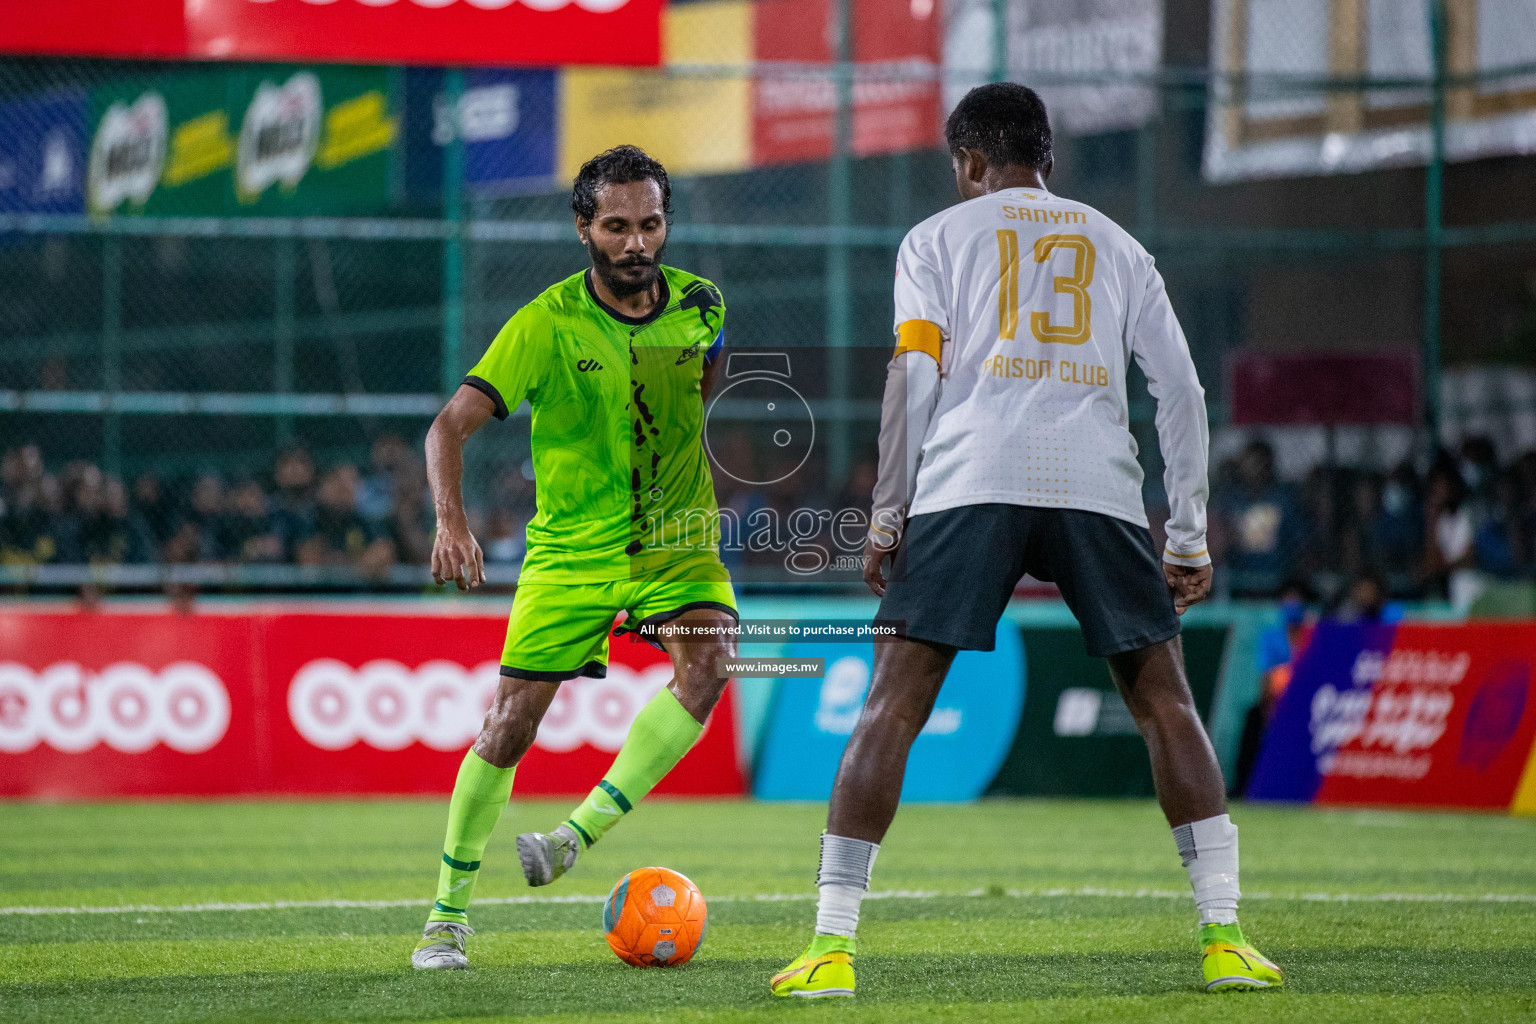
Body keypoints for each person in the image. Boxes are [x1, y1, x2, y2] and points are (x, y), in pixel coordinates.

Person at [770, 83, 1282, 998]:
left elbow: (914, 376)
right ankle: (1225, 938)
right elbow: (1184, 394)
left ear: (968, 160)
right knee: (1164, 701)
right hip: (1099, 488)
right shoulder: (1119, 246)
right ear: (1047, 157)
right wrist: (1191, 536)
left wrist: (888, 515)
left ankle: (830, 950)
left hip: (970, 483)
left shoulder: (934, 240)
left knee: (893, 704)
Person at [411, 146, 737, 970]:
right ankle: (446, 917)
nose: (636, 243)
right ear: (585, 227)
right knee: (509, 728)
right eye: (618, 226)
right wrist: (451, 522)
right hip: (570, 552)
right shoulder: (544, 324)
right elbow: (448, 426)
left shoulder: (703, 304)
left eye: (651, 224)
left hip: (674, 541)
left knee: (710, 665)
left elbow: (705, 390)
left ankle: (571, 836)